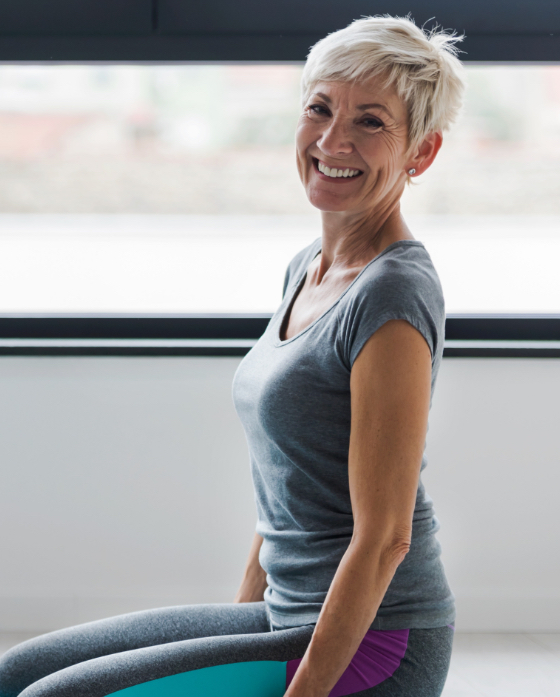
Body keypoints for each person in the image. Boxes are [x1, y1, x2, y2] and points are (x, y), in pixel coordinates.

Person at [0, 15, 465, 697]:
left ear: (420, 153)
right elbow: (284, 487)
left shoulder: (392, 294)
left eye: (370, 122)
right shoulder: (308, 268)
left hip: (380, 640)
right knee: (15, 675)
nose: (333, 139)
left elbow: (387, 536)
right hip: (289, 613)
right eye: (320, 108)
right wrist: (241, 628)